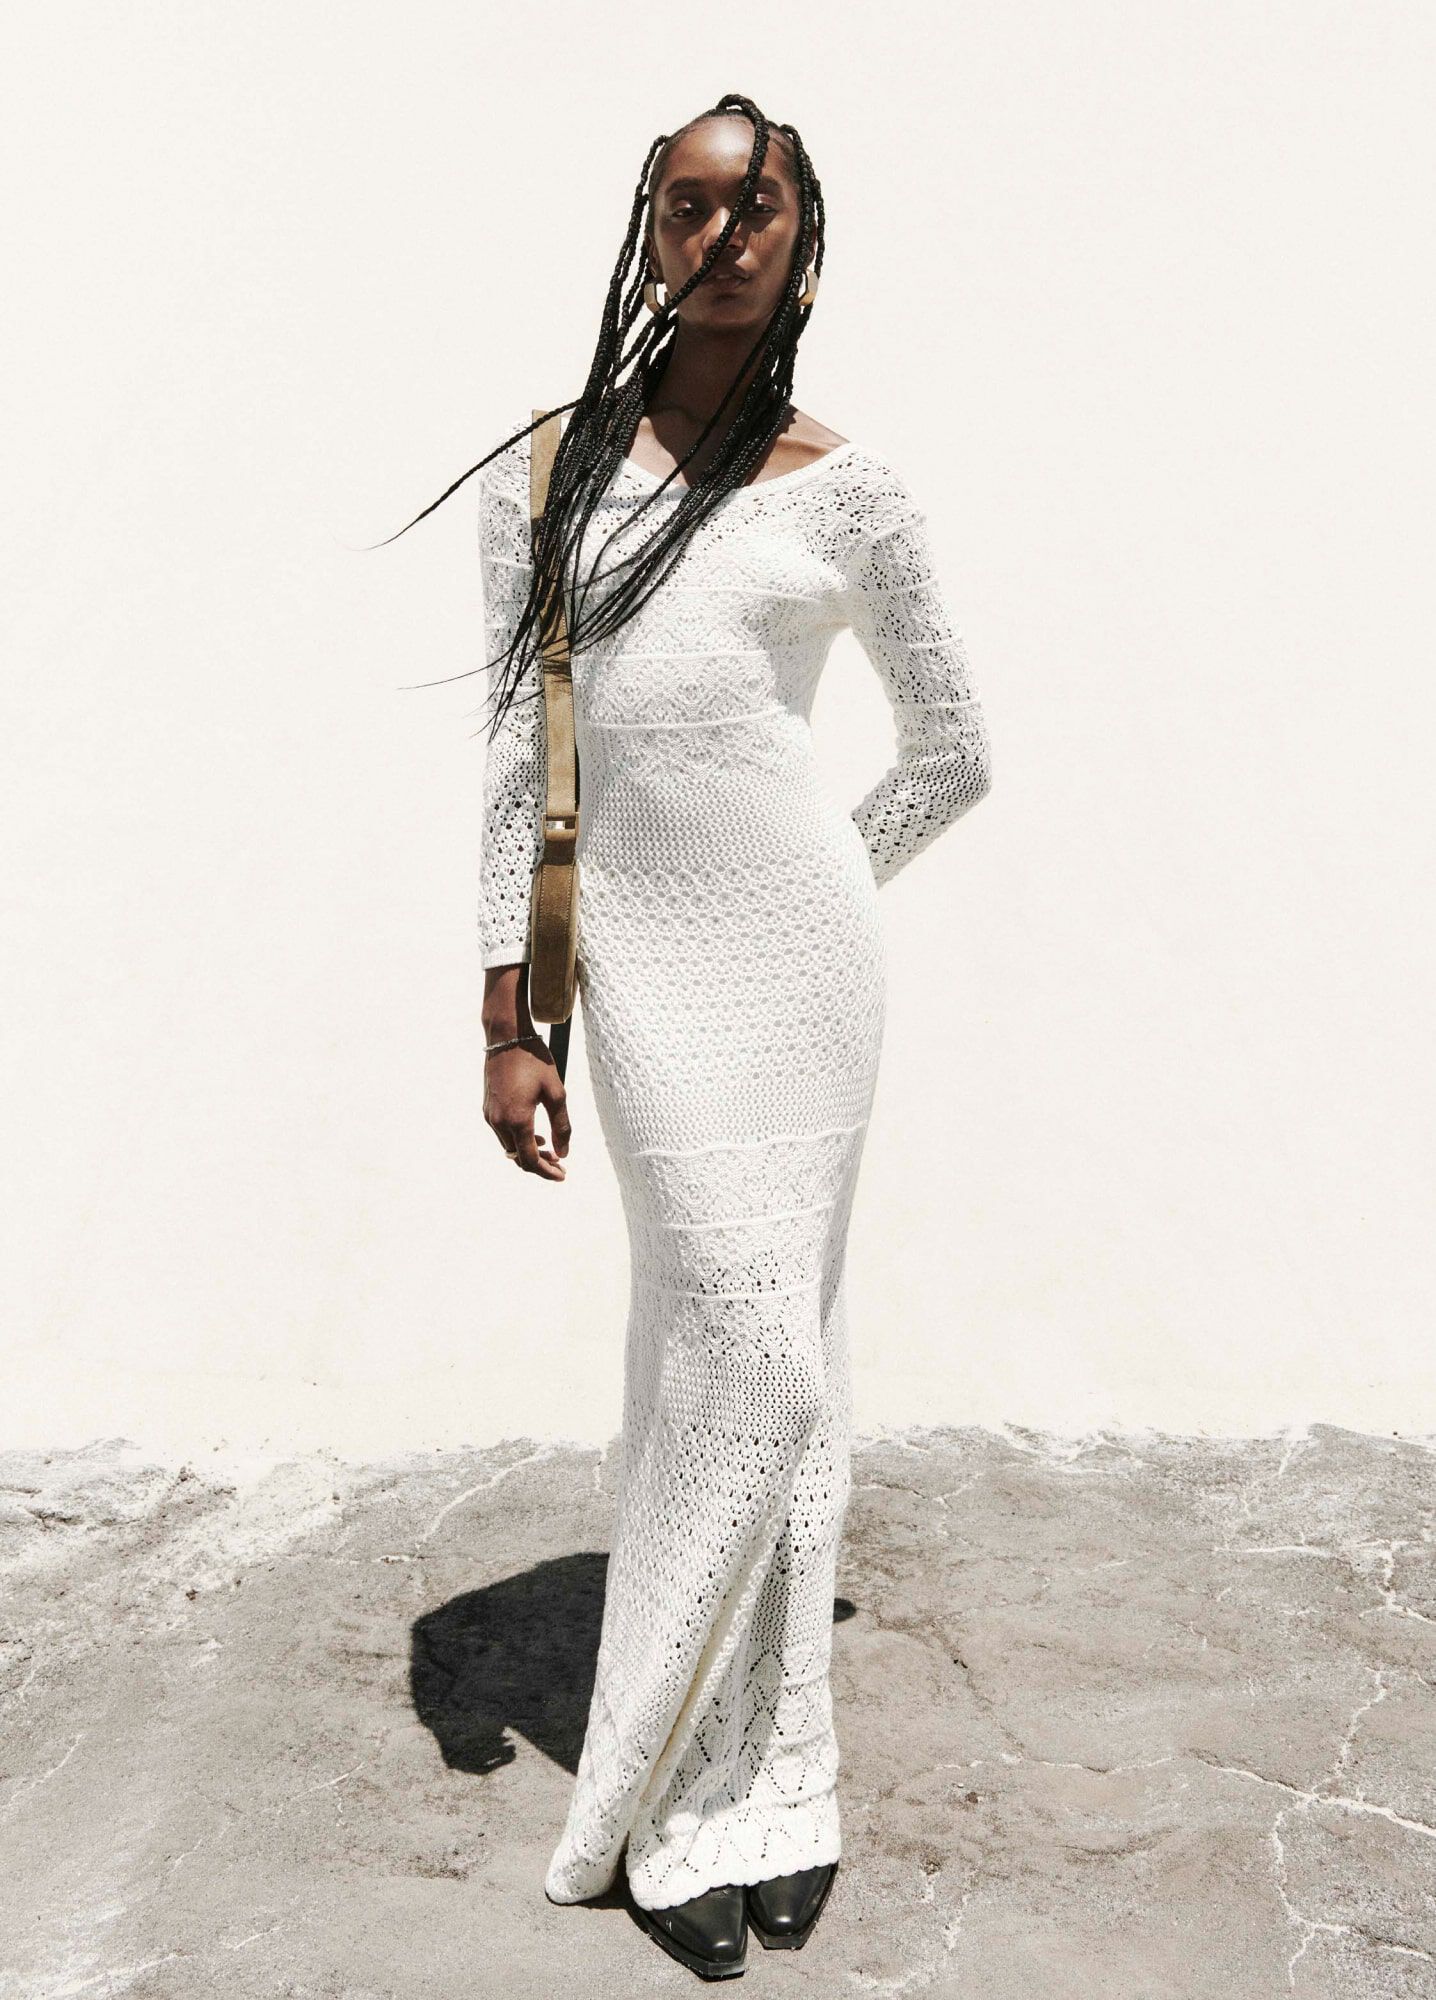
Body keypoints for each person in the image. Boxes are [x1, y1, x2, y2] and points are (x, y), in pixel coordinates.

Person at [412, 89, 993, 1983]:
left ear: (806, 242)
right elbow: (524, 757)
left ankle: (772, 1788)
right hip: (645, 980)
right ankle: (681, 1792)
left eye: (759, 208)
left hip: (807, 978)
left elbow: (957, 755)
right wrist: (517, 1014)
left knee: (782, 1364)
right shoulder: (550, 473)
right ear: (647, 229)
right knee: (737, 1359)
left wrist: (821, 875)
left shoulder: (854, 488)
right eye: (689, 202)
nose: (723, 234)